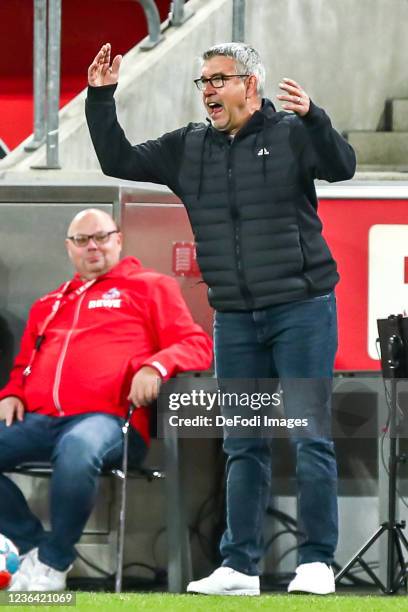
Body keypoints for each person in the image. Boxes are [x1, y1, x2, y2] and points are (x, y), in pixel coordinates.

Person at [85, 42, 356, 596]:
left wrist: (315, 116)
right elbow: (119, 160)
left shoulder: (291, 133)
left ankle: (317, 562)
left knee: (310, 435)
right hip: (234, 316)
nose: (207, 90)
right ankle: (239, 565)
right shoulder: (187, 147)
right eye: (202, 81)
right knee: (243, 440)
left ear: (249, 85)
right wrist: (100, 96)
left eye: (217, 79)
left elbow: (342, 166)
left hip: (301, 308)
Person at [0, 208, 213, 592]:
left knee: (79, 445)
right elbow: (24, 364)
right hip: (41, 420)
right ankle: (34, 549)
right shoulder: (48, 304)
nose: (92, 246)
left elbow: (196, 344)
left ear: (118, 239)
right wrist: (12, 392)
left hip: (110, 422)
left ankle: (54, 561)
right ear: (69, 248)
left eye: (101, 237)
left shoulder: (150, 287)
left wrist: (157, 365)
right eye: (82, 240)